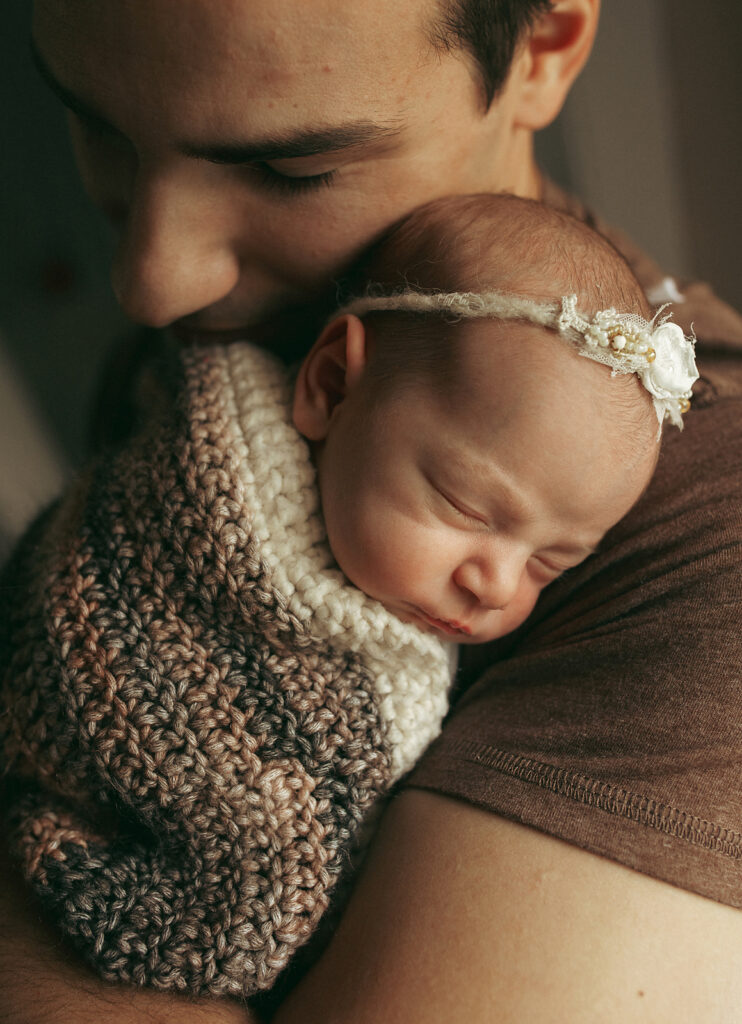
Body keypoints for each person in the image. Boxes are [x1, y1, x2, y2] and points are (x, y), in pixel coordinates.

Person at [2, 1, 742, 1021]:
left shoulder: (714, 543)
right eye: (98, 127)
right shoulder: (231, 364)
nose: (150, 283)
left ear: (549, 46)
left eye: (290, 171)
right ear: (333, 384)